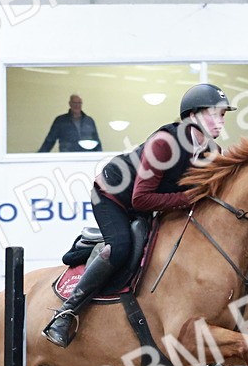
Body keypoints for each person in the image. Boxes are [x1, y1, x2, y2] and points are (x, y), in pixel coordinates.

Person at [42, 83, 235, 348]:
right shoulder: (164, 144)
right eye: (215, 113)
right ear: (193, 116)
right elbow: (141, 199)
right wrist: (187, 199)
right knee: (121, 247)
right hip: (112, 195)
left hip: (149, 203)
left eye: (224, 114)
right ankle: (66, 313)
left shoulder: (212, 153)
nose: (221, 121)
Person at [37, 94, 102, 153]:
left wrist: (100, 158)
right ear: (70, 104)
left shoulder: (89, 121)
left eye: (79, 103)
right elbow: (50, 141)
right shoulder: (60, 121)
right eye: (74, 103)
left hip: (87, 158)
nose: (77, 105)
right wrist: (39, 157)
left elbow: (96, 141)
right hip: (69, 158)